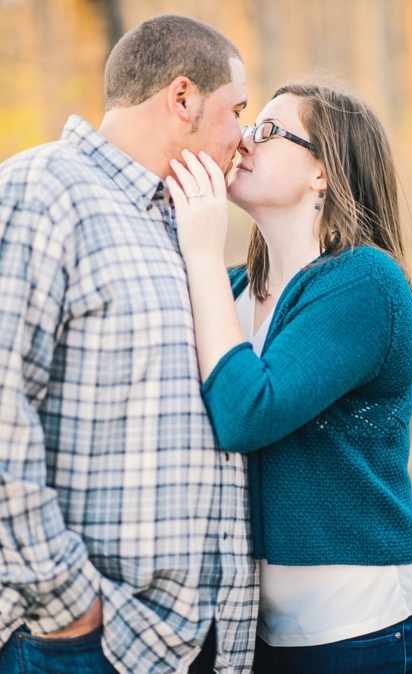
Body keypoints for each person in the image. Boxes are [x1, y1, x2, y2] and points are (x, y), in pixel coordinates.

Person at [0, 16, 256, 674]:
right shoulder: (42, 191)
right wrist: (68, 606)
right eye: (237, 110)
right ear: (181, 99)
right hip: (85, 643)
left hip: (194, 643)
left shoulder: (182, 223)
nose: (243, 137)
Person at [167, 81, 412, 673]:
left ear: (323, 170)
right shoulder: (236, 290)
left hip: (366, 631)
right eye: (249, 125)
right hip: (259, 635)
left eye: (267, 131)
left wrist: (198, 249)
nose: (244, 139)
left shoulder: (366, 283)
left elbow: (249, 411)